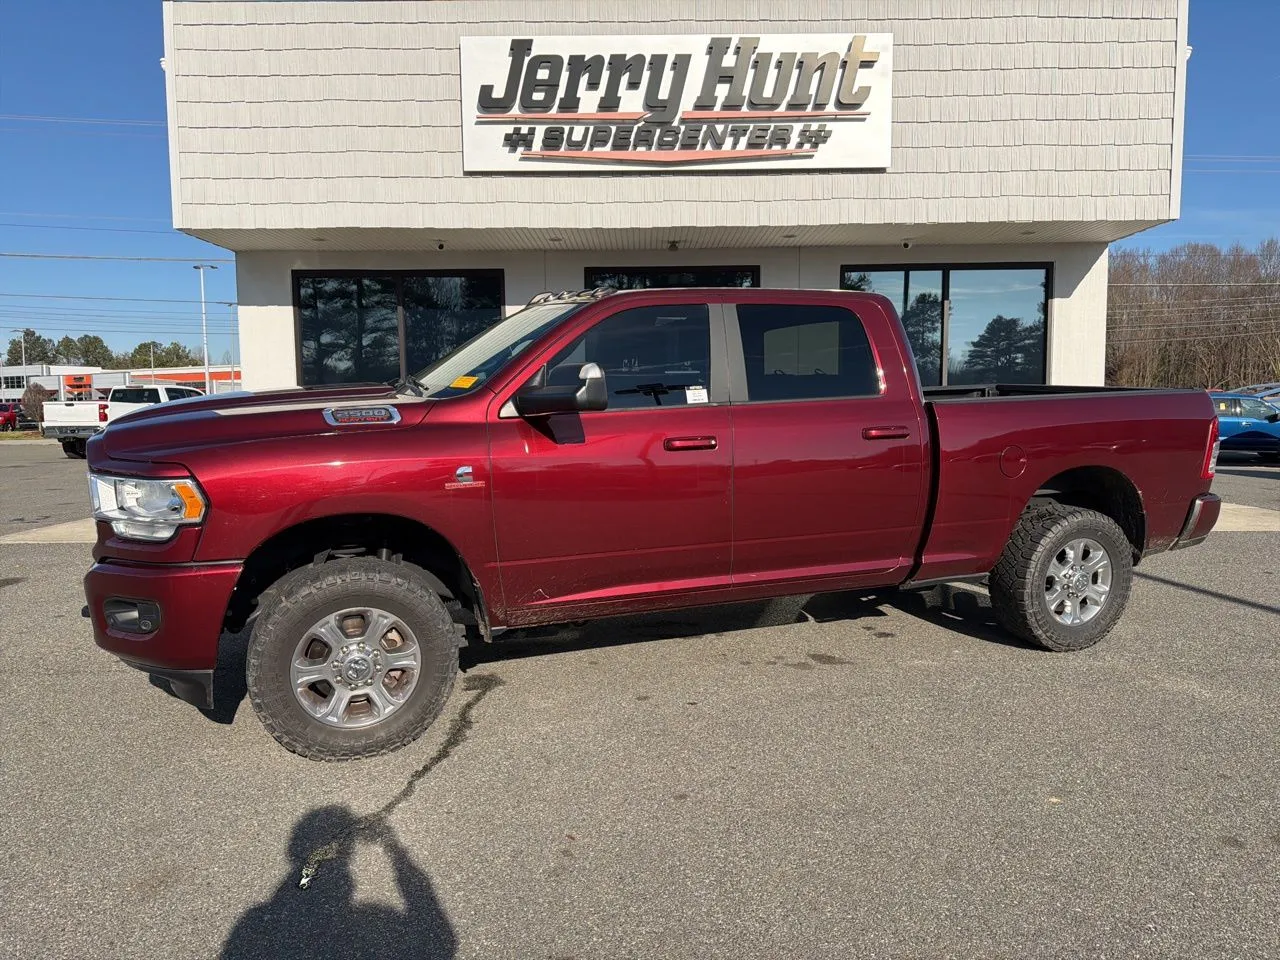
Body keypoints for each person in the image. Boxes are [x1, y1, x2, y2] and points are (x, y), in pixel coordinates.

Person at [220, 805, 456, 960]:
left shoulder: (256, 916)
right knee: (309, 872)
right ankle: (304, 884)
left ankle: (304, 884)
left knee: (307, 874)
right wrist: (394, 850)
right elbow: (433, 920)